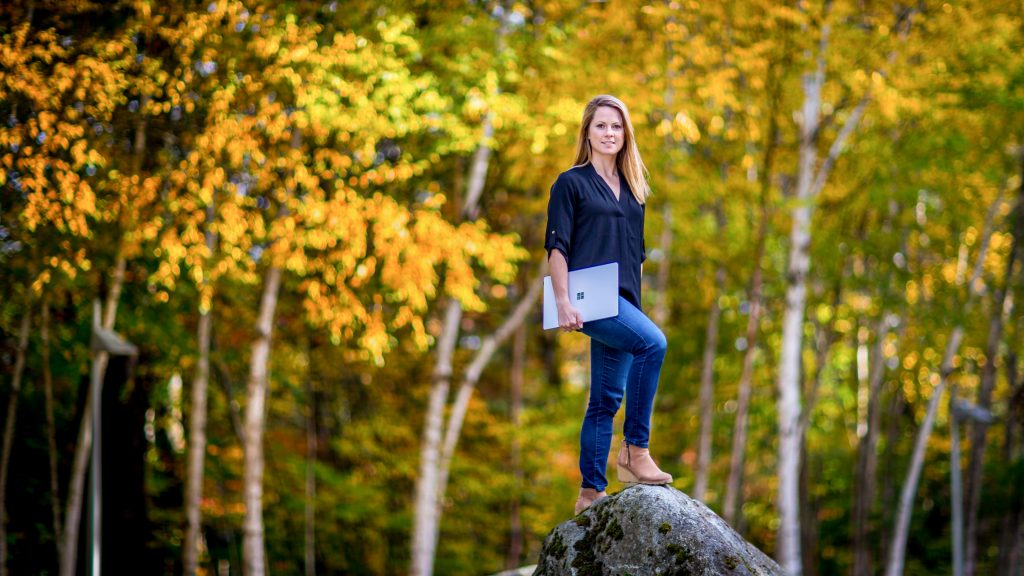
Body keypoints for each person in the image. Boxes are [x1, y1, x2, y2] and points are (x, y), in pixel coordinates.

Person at [545, 94, 674, 516]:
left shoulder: (636, 191)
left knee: (604, 398)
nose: (609, 133)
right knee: (653, 344)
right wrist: (562, 300)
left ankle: (589, 492)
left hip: (624, 299)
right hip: (589, 299)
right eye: (601, 125)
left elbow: (635, 255)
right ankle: (635, 451)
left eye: (616, 127)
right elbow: (557, 246)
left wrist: (637, 306)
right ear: (587, 132)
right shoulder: (571, 182)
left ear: (625, 134)